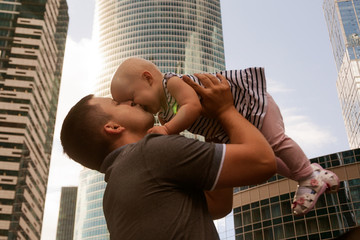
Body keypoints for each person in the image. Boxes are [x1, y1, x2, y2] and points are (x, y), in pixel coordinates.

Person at [110, 57, 340, 216]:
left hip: (250, 106)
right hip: (233, 126)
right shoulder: (164, 112)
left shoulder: (172, 83)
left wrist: (169, 129)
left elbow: (192, 107)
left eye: (132, 97)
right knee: (271, 158)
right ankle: (312, 173)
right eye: (129, 104)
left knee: (276, 141)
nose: (134, 104)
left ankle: (307, 176)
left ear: (149, 78)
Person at [61, 73, 276, 239]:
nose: (129, 101)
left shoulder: (111, 199)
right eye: (117, 104)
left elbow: (217, 205)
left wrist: (214, 130)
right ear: (113, 127)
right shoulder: (150, 152)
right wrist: (226, 110)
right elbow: (262, 161)